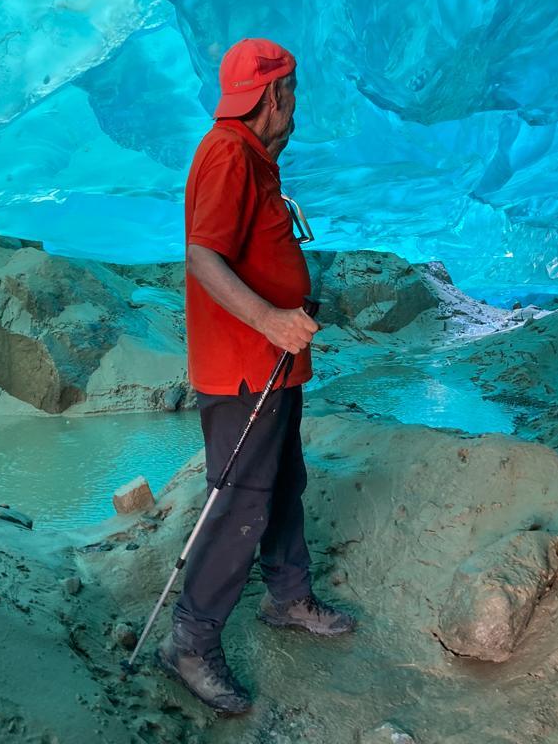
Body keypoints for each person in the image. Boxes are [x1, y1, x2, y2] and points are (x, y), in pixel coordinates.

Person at [155, 38, 356, 714]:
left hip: (274, 367)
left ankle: (287, 597)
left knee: (283, 483)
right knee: (240, 505)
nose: (296, 107)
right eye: (292, 93)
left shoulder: (255, 159)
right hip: (245, 371)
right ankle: (189, 643)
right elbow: (203, 257)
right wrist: (271, 319)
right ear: (275, 95)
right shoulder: (228, 153)